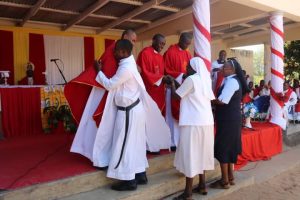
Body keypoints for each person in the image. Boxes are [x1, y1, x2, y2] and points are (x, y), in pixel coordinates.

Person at [92, 39, 171, 191]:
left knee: (125, 144)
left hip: (129, 111)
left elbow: (109, 85)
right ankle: (140, 174)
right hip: (134, 110)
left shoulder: (126, 68)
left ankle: (128, 181)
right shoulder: (128, 65)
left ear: (124, 52)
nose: (114, 53)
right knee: (136, 144)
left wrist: (98, 71)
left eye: (116, 51)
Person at [66, 30, 138, 162]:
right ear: (125, 37)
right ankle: (98, 157)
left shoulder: (124, 54)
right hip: (104, 91)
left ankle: (104, 156)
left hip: (110, 90)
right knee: (101, 129)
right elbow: (109, 76)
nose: (133, 43)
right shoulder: (113, 50)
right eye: (132, 40)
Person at [169, 57, 215, 200]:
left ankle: (188, 192)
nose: (186, 69)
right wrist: (177, 83)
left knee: (191, 154)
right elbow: (186, 90)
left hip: (193, 123)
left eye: (188, 66)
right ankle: (202, 185)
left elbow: (177, 95)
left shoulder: (191, 80)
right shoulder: (205, 80)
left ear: (194, 68)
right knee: (201, 153)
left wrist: (171, 84)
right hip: (206, 123)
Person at [211, 58, 249, 189]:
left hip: (228, 120)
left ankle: (224, 181)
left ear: (231, 70)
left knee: (223, 148)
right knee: (229, 147)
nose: (221, 70)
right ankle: (230, 177)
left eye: (224, 68)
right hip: (230, 119)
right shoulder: (230, 80)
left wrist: (208, 100)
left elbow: (222, 101)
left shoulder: (232, 82)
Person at [164, 32, 192, 151]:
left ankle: (180, 140)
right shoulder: (170, 52)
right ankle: (171, 142)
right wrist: (180, 75)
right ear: (180, 39)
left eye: (189, 44)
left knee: (182, 115)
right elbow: (166, 70)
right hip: (172, 89)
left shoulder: (188, 54)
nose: (187, 46)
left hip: (184, 91)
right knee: (171, 116)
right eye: (185, 43)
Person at [137, 34, 169, 113]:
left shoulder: (160, 57)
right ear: (153, 41)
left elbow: (162, 73)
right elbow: (144, 72)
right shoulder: (145, 53)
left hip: (159, 91)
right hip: (148, 90)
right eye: (160, 43)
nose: (162, 46)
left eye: (163, 44)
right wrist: (161, 78)